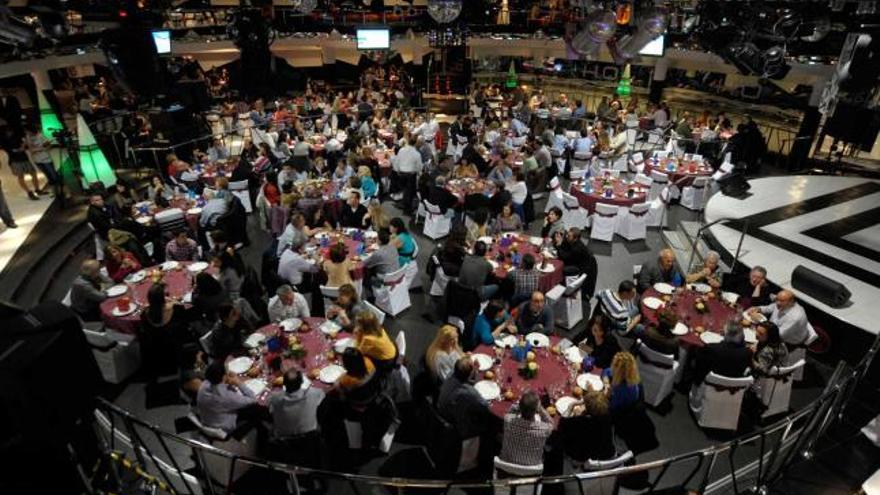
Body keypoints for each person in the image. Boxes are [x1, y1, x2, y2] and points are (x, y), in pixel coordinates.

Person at [437, 357, 493, 440]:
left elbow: (467, 379)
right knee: (487, 421)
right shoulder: (468, 392)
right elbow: (485, 406)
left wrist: (474, 369)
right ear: (469, 374)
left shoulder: (451, 374)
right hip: (455, 425)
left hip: (441, 412)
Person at [196, 360, 258, 435]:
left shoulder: (204, 384)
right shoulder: (225, 397)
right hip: (223, 427)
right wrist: (238, 383)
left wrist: (226, 382)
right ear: (224, 376)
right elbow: (253, 399)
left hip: (208, 419)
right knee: (256, 410)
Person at [499, 390, 553, 466]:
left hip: (506, 464)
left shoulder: (508, 421)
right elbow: (551, 423)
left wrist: (521, 405)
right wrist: (540, 408)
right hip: (531, 469)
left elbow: (510, 412)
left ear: (520, 407)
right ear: (536, 410)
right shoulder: (544, 429)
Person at [560, 388, 615, 462]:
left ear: (586, 409)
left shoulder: (578, 422)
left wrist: (571, 405)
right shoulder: (608, 415)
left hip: (583, 457)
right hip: (606, 452)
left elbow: (561, 423)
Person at [269, 369, 325, 439]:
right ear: (302, 382)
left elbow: (271, 411)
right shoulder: (314, 393)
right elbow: (322, 395)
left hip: (284, 440)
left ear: (284, 383)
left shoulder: (274, 398)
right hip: (310, 437)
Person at [23, 124, 60, 194]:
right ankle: (54, 191)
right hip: (37, 160)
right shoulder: (28, 138)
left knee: (54, 176)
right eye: (25, 132)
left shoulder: (40, 136)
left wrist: (39, 149)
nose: (26, 133)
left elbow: (48, 146)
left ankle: (61, 190)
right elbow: (30, 149)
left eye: (27, 131)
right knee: (48, 176)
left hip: (46, 159)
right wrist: (28, 140)